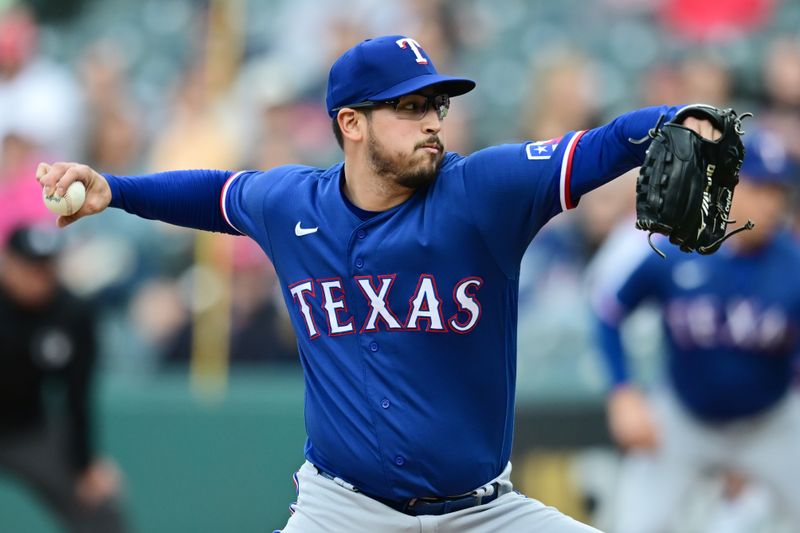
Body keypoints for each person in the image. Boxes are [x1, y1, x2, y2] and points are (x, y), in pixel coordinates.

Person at [36, 35, 720, 532]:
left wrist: (673, 121)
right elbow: (212, 194)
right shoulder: (292, 204)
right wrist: (115, 189)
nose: (431, 121)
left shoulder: (482, 190)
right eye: (409, 106)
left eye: (436, 105)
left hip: (484, 513)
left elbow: (600, 144)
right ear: (351, 123)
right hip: (343, 511)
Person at [590, 129, 800, 533]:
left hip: (771, 421)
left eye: (777, 190)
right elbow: (609, 311)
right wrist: (623, 392)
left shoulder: (793, 267)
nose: (770, 202)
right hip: (684, 419)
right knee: (635, 525)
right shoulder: (679, 248)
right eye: (759, 187)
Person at [0, 224, 126, 533]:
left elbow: (77, 395)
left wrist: (84, 464)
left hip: (26, 428)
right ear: (7, 265)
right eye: (30, 266)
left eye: (47, 266)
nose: (40, 276)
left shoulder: (71, 314)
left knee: (99, 507)